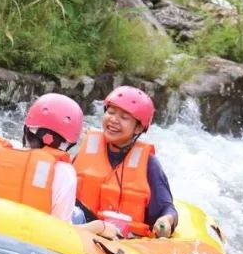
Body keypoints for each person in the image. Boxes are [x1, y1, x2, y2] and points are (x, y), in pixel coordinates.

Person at [0, 93, 83, 221]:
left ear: (26, 129)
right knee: (79, 215)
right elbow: (62, 228)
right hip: (28, 237)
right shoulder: (65, 173)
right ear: (70, 145)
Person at [72, 86, 178, 240]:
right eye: (111, 112)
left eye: (124, 117)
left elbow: (166, 208)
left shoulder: (149, 163)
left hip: (124, 242)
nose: (113, 120)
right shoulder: (85, 147)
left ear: (139, 127)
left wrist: (166, 220)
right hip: (82, 230)